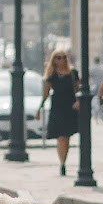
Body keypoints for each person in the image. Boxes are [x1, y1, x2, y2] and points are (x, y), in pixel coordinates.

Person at [40, 48, 79, 176]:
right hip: (57, 107)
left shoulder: (73, 73)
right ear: (54, 60)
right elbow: (45, 93)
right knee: (60, 137)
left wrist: (79, 101)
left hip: (70, 107)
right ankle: (62, 163)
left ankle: (64, 159)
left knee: (66, 137)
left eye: (63, 57)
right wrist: (39, 109)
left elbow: (79, 89)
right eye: (58, 57)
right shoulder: (52, 75)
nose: (61, 59)